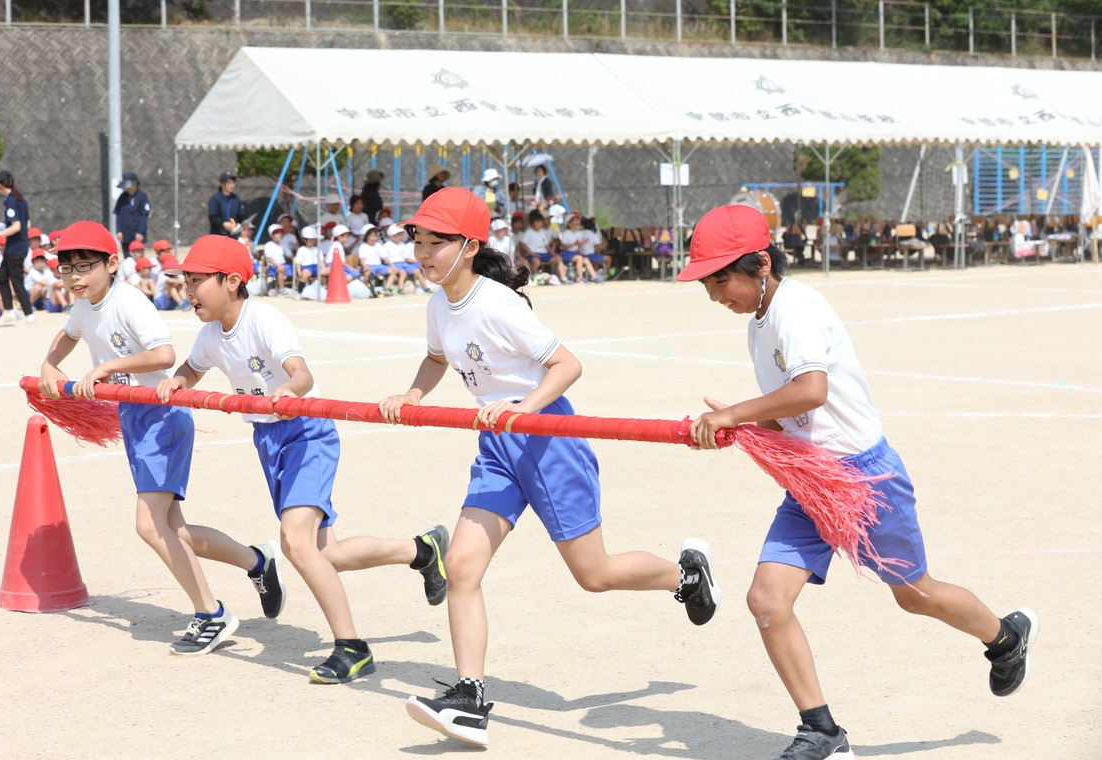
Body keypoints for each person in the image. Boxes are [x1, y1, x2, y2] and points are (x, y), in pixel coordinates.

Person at [678, 204, 1038, 760]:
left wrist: (733, 415)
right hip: (813, 478)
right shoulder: (759, 322)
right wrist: (743, 426)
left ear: (763, 265)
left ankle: (1005, 639)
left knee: (915, 596)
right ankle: (821, 730)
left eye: (721, 278)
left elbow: (811, 392)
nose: (714, 293)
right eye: (707, 281)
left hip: (867, 478)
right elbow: (793, 415)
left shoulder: (795, 309)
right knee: (767, 600)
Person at [379, 188, 719, 747]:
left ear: (468, 246)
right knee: (462, 567)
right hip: (497, 445)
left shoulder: (496, 304)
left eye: (434, 243)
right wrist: (412, 394)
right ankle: (469, 698)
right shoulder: (440, 304)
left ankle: (686, 575)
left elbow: (567, 364)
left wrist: (524, 408)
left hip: (548, 439)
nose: (422, 253)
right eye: (418, 241)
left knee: (595, 575)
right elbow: (438, 357)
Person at [156, 234, 450, 683]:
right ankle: (421, 550)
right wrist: (178, 381)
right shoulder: (210, 334)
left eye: (198, 281)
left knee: (295, 540)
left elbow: (302, 373)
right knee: (324, 553)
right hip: (268, 439)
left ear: (232, 281)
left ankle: (352, 647)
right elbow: (193, 368)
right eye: (186, 281)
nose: (188, 290)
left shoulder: (263, 319)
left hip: (307, 432)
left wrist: (287, 392)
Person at [37, 220, 285, 656]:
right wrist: (49, 364)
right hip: (134, 415)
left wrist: (109, 368)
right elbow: (69, 333)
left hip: (162, 416)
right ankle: (257, 560)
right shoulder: (83, 305)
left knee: (149, 525)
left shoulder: (128, 301)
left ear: (111, 264)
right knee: (175, 530)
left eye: (84, 266)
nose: (74, 277)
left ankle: (212, 613)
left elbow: (165, 355)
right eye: (66, 268)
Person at [0, 170, 34, 326]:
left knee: (17, 282)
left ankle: (29, 315)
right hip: (18, 246)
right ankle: (9, 312)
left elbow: (16, 226)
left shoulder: (10, 200)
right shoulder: (21, 199)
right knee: (1, 278)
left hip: (15, 248)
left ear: (0, 185)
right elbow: (27, 224)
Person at [114, 171, 151, 258]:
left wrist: (140, 232)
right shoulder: (122, 197)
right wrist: (118, 231)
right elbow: (118, 214)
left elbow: (144, 216)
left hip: (137, 235)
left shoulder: (142, 196)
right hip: (125, 235)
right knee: (128, 258)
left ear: (135, 184)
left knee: (138, 258)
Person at [207, 170, 246, 237]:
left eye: (233, 183)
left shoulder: (236, 199)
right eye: (229, 183)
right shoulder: (215, 199)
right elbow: (212, 217)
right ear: (221, 184)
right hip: (218, 235)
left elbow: (241, 215)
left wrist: (240, 224)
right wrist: (223, 224)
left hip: (233, 235)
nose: (232, 185)